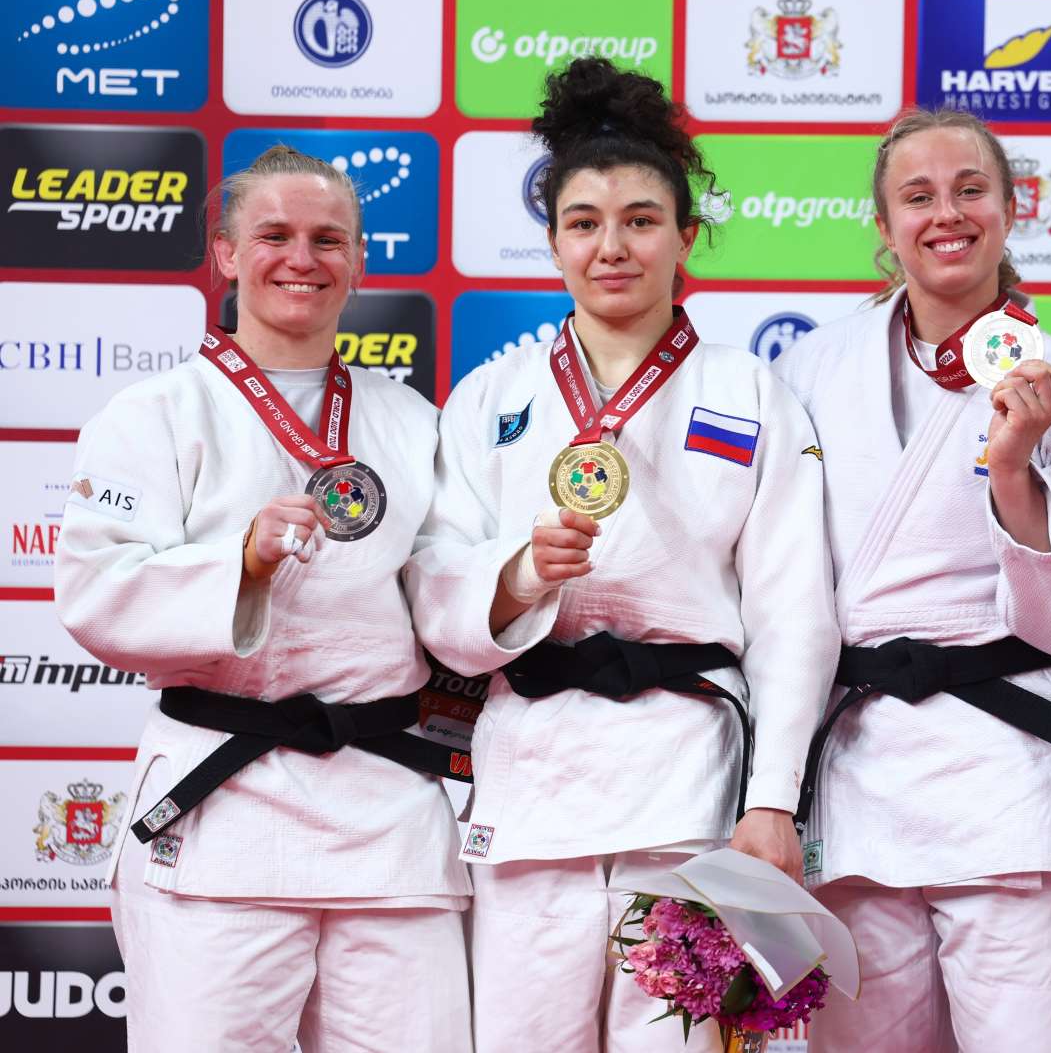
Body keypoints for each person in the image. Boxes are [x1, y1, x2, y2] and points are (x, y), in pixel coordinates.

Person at [404, 57, 837, 1053]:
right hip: (534, 791)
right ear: (552, 240)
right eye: (586, 222)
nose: (614, 246)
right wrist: (519, 575)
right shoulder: (491, 399)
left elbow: (793, 612)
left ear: (686, 237)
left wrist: (774, 802)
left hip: (692, 788)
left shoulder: (750, 391)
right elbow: (436, 590)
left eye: (642, 220)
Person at [55, 145, 472, 1053]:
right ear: (225, 255)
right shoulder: (152, 414)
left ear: (359, 263)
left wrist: (516, 583)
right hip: (222, 810)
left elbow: (448, 595)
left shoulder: (413, 422)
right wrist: (238, 563)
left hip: (387, 810)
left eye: (329, 239)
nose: (303, 257)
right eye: (274, 234)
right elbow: (93, 593)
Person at [772, 107, 1051, 1053]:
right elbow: (775, 581)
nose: (948, 215)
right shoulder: (809, 371)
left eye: (971, 190)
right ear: (885, 227)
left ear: (1012, 210)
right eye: (918, 196)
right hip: (857, 779)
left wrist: (1014, 471)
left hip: (1009, 774)